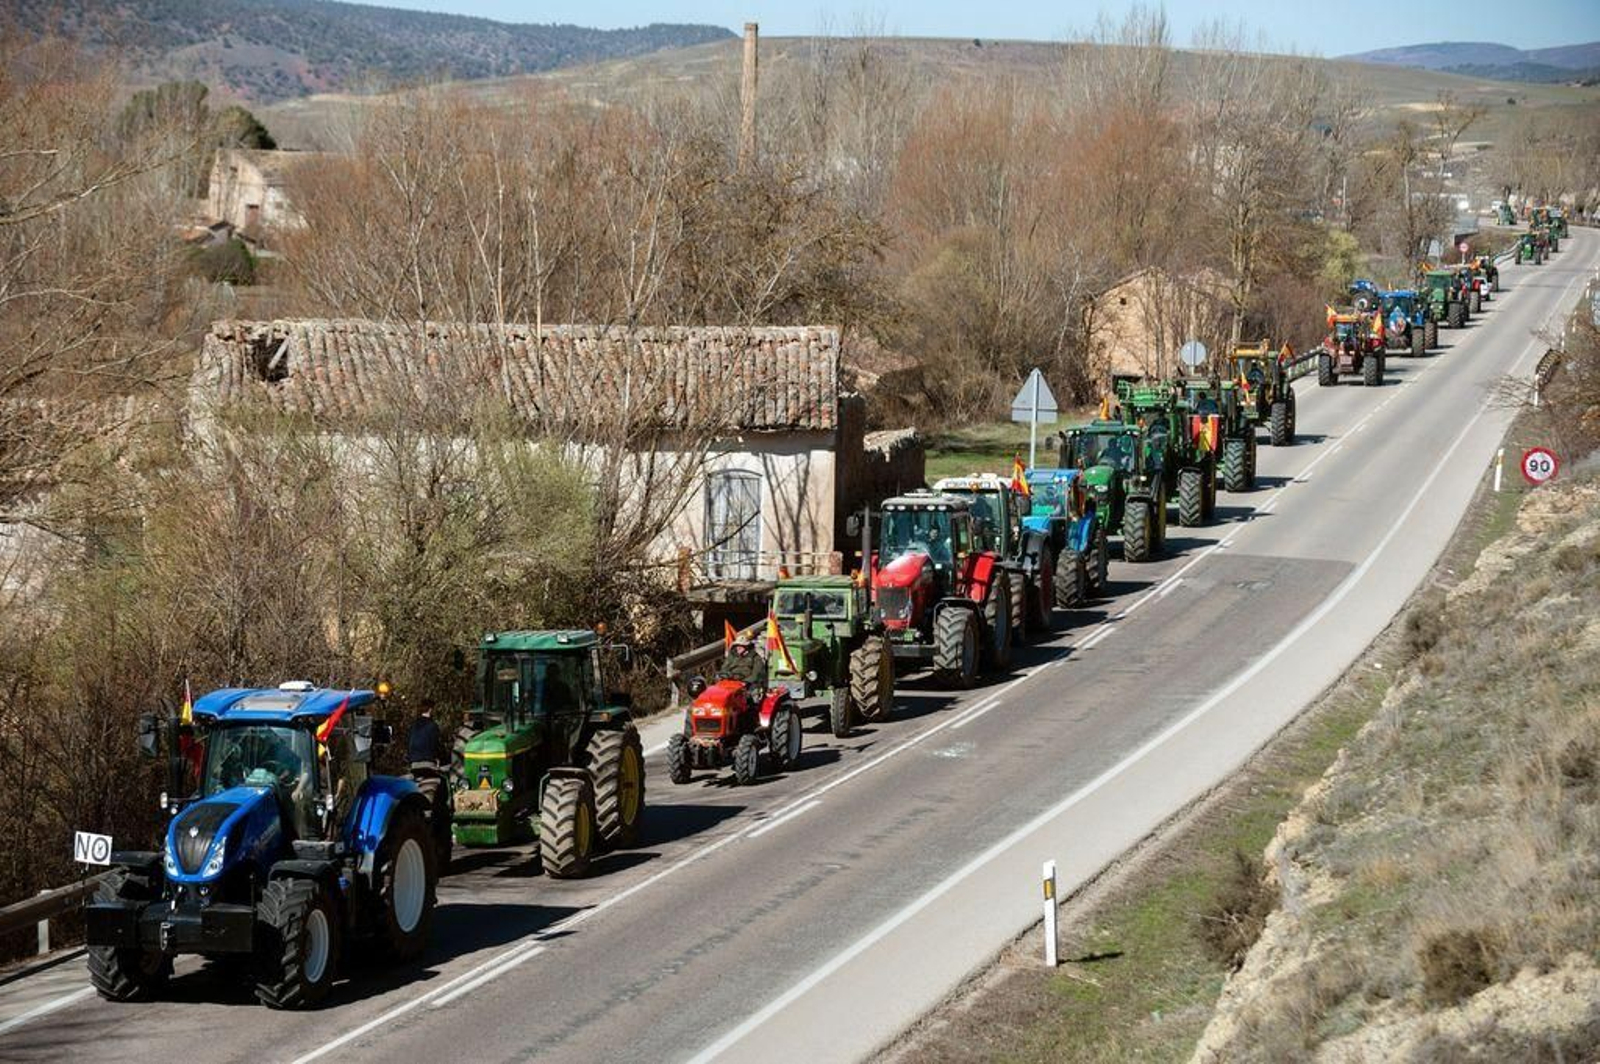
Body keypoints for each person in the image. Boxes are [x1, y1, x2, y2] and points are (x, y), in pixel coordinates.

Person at [408, 699, 443, 771]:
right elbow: (435, 744)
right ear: (430, 709)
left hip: (414, 762)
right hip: (427, 761)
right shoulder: (432, 725)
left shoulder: (413, 725)